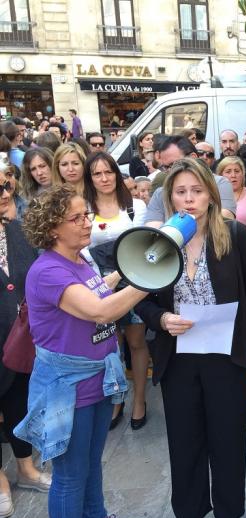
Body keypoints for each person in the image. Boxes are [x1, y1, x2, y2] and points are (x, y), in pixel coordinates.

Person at [134, 158, 246, 518]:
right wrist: (161, 317)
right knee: (185, 440)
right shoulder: (159, 241)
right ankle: (188, 516)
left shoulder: (234, 234)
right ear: (169, 198)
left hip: (226, 353)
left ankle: (227, 514)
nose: (189, 199)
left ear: (211, 193)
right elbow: (140, 300)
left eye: (196, 190)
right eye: (180, 192)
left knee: (227, 438)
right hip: (179, 356)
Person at [17, 186, 148, 518]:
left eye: (86, 214)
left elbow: (97, 292)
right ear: (53, 228)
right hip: (67, 387)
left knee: (90, 463)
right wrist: (146, 277)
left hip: (96, 379)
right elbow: (100, 312)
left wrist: (117, 279)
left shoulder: (79, 259)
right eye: (76, 218)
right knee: (70, 474)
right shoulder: (48, 270)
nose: (87, 222)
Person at [82, 152, 149, 431]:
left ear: (117, 174)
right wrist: (100, 279)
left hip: (133, 281)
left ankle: (140, 400)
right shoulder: (83, 207)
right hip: (97, 286)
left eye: (108, 172)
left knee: (136, 342)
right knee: (111, 348)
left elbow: (144, 245)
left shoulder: (134, 206)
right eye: (97, 174)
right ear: (90, 178)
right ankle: (117, 399)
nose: (104, 178)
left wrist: (119, 275)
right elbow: (81, 247)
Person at [0, 181, 52, 518]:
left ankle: (26, 469)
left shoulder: (18, 231)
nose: (5, 194)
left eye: (4, 186)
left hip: (19, 343)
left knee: (18, 402)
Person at [143, 135, 236, 226]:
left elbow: (226, 218)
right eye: (165, 167)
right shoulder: (160, 193)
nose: (170, 171)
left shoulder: (219, 183)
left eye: (174, 164)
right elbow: (152, 229)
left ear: (193, 157)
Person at [217, 156, 246, 237]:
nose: (233, 175)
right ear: (220, 176)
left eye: (237, 171)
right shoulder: (213, 197)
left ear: (243, 174)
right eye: (228, 172)